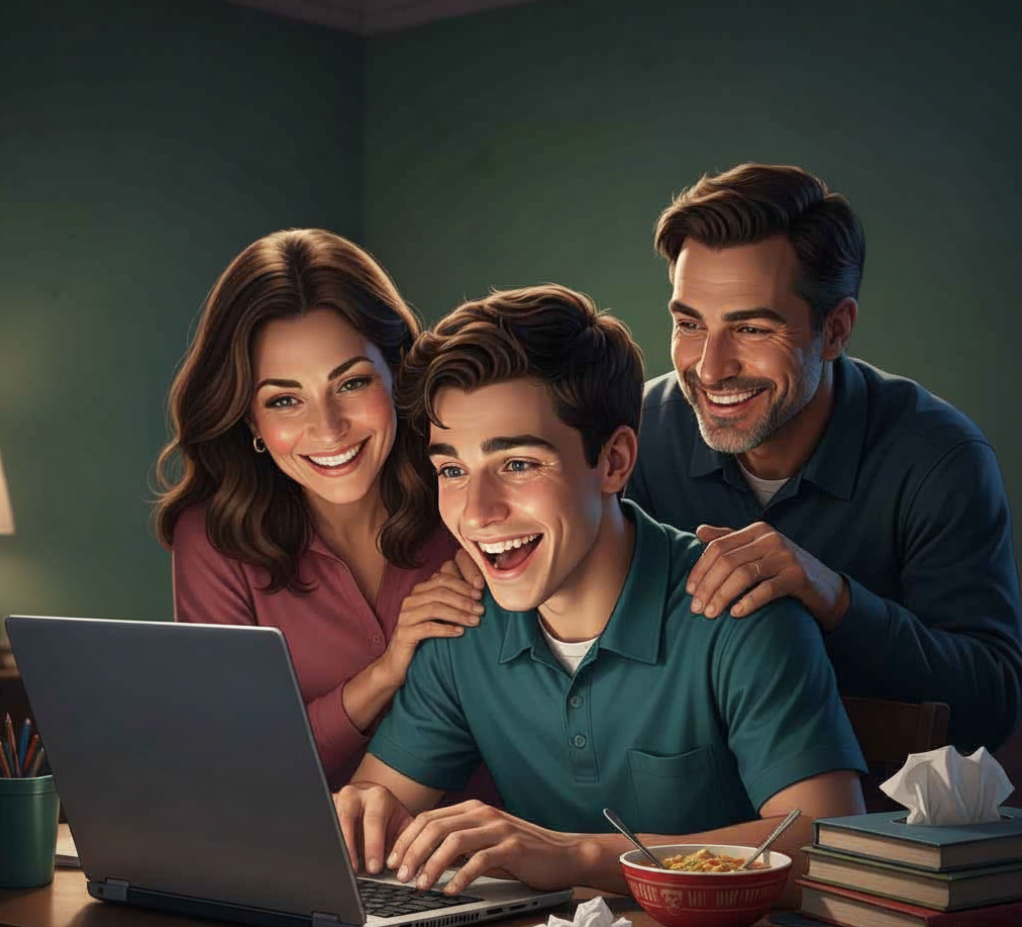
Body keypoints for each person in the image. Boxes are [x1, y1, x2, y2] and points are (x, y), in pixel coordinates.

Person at [334, 283, 866, 899]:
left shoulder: (739, 610)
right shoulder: (462, 623)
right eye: (452, 470)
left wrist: (579, 856)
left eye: (518, 464)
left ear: (614, 462)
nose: (476, 512)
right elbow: (373, 807)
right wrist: (361, 816)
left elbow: (825, 845)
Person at [628, 163, 1022, 755]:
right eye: (689, 324)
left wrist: (834, 597)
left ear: (835, 329)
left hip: (874, 803)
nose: (709, 368)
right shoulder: (633, 435)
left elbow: (992, 703)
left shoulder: (941, 458)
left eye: (751, 329)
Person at [153, 228, 490, 791]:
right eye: (285, 400)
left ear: (397, 374)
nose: (328, 429)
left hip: (494, 841)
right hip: (303, 843)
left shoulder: (468, 502)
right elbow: (237, 763)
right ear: (249, 417)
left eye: (352, 383)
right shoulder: (214, 539)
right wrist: (384, 674)